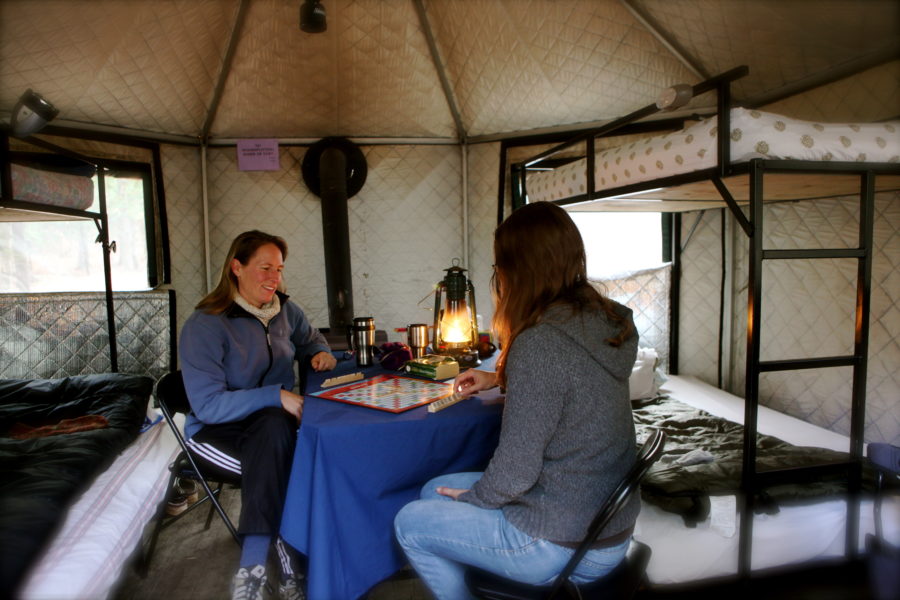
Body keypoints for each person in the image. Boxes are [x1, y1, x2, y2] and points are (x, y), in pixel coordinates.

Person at [394, 201, 639, 599]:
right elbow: (572, 388)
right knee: (433, 491)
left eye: (498, 268)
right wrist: (499, 377)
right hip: (604, 526)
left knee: (410, 521)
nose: (498, 279)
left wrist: (476, 499)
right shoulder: (604, 323)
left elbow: (516, 472)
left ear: (517, 272)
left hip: (561, 543)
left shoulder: (540, 343)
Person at [179, 230, 337, 600]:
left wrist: (319, 352)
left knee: (278, 435)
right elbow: (209, 406)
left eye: (279, 269)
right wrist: (276, 395)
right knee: (282, 455)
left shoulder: (284, 311)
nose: (274, 278)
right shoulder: (205, 324)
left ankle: (257, 568)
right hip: (217, 433)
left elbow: (312, 338)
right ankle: (281, 561)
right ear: (237, 267)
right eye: (265, 267)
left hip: (271, 428)